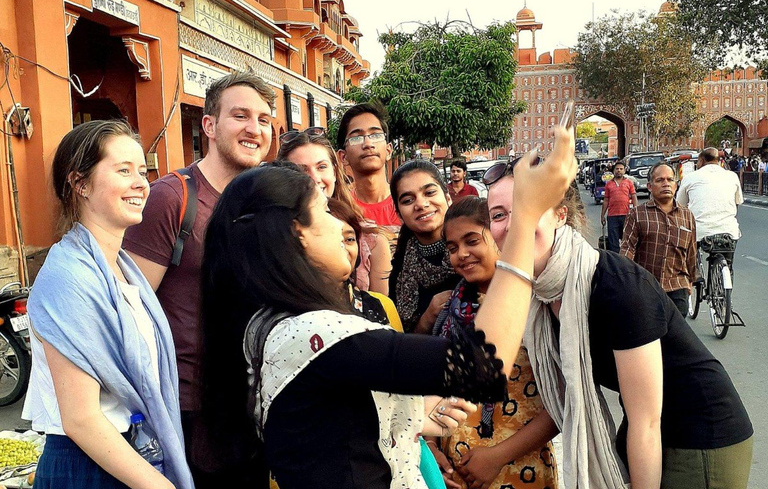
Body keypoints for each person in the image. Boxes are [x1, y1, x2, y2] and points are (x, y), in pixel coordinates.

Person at [198, 124, 579, 488]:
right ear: (296, 236)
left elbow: (338, 422)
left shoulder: (268, 326)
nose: (340, 225)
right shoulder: (313, 333)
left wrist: (416, 412)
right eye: (323, 212)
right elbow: (482, 364)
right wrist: (525, 217)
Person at [483, 159, 753, 489]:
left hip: (701, 434)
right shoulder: (539, 292)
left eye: (526, 209)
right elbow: (555, 394)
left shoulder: (617, 286)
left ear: (560, 215)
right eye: (498, 215)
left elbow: (647, 422)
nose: (513, 225)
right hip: (648, 433)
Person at [123, 71, 276, 486]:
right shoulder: (173, 198)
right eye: (240, 116)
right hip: (190, 405)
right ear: (209, 125)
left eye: (264, 120)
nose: (254, 129)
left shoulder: (266, 200)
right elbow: (131, 308)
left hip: (253, 399)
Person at [22, 120, 193, 489]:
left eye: (143, 171)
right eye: (123, 170)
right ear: (80, 184)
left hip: (125, 456)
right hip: (88, 466)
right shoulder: (68, 276)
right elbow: (81, 418)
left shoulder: (122, 271)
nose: (141, 183)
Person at [430, 196, 559, 489]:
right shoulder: (451, 310)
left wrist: (497, 456)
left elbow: (562, 401)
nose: (461, 254)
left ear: (501, 236)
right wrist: (432, 447)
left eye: (472, 241)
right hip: (455, 471)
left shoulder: (534, 305)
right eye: (452, 248)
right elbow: (435, 389)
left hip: (522, 468)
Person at [278, 127, 392, 294]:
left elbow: (383, 310)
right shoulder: (274, 239)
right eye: (301, 170)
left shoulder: (370, 239)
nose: (314, 178)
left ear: (335, 172)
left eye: (322, 167)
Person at [388, 160, 462, 333]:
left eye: (429, 192)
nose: (421, 204)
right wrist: (428, 317)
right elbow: (403, 342)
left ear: (448, 197)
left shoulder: (478, 249)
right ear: (399, 213)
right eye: (408, 200)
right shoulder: (400, 271)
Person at [620, 163, 697, 317]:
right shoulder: (637, 214)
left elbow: (691, 252)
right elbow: (627, 250)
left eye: (670, 180)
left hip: (677, 287)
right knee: (652, 339)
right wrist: (626, 282)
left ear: (676, 185)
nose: (666, 184)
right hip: (646, 288)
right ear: (649, 186)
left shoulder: (687, 215)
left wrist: (690, 282)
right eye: (660, 180)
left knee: (675, 338)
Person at [327, 197, 402, 331]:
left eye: (349, 239)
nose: (342, 246)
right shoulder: (291, 315)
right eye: (330, 237)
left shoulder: (382, 305)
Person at [336, 102, 402, 242]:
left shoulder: (408, 202)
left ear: (389, 150)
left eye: (376, 135)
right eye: (356, 138)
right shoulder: (339, 208)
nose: (368, 144)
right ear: (343, 156)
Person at [677, 146, 743, 273]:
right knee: (728, 266)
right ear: (718, 161)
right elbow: (737, 203)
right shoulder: (732, 176)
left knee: (689, 258)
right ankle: (726, 279)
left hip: (699, 232)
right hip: (728, 231)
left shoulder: (690, 177)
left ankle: (694, 271)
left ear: (701, 161)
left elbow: (680, 205)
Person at [601, 161, 637, 252]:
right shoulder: (609, 184)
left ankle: (626, 260)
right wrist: (602, 215)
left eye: (621, 169)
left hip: (626, 215)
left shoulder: (629, 183)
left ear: (624, 171)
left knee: (627, 239)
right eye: (617, 169)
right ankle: (616, 262)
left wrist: (636, 211)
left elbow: (634, 196)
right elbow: (606, 200)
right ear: (613, 171)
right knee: (613, 242)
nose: (619, 171)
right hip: (612, 216)